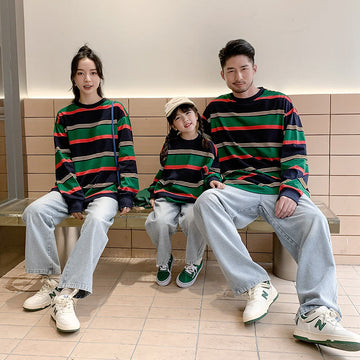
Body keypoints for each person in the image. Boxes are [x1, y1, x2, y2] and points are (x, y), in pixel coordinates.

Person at [193, 39, 360, 351]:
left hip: (276, 188)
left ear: (254, 69)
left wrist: (291, 190)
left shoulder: (281, 104)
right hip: (236, 189)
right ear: (223, 75)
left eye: (244, 68)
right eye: (231, 71)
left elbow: (297, 153)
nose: (238, 76)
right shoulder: (214, 111)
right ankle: (256, 284)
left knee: (314, 219)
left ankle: (314, 314)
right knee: (205, 202)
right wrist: (213, 178)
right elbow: (206, 155)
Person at [22, 45, 139, 333]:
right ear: (74, 78)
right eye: (81, 73)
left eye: (93, 73)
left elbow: (126, 154)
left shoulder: (115, 110)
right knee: (34, 211)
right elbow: (62, 160)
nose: (88, 79)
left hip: (105, 192)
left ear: (100, 77)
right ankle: (50, 281)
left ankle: (67, 294)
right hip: (71, 190)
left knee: (98, 219)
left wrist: (126, 193)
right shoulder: (64, 116)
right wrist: (74, 199)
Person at [145, 97, 224, 288]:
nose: (185, 119)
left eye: (188, 113)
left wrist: (214, 180)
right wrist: (153, 192)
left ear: (196, 115)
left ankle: (194, 262)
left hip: (195, 194)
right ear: (173, 125)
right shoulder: (170, 145)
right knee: (158, 221)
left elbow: (213, 170)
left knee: (192, 220)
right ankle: (165, 260)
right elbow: (163, 171)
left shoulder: (207, 145)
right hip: (169, 193)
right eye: (178, 118)